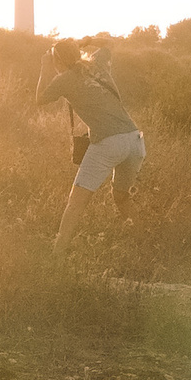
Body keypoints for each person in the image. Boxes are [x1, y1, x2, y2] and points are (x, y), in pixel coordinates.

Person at [36, 36, 146, 245]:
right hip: (134, 140)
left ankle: (58, 252)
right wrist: (86, 41)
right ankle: (140, 239)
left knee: (76, 202)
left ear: (56, 61)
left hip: (108, 142)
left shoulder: (64, 79)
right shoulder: (96, 63)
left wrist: (44, 66)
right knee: (121, 196)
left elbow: (40, 99)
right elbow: (108, 44)